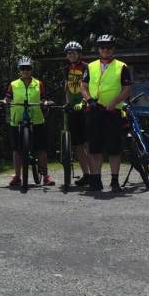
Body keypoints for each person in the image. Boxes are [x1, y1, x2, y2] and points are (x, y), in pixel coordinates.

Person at [80, 34, 132, 193]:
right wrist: (88, 99)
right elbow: (83, 85)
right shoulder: (90, 66)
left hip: (113, 111)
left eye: (108, 47)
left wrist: (115, 102)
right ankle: (96, 179)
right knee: (94, 147)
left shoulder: (122, 66)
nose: (105, 50)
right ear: (98, 49)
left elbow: (127, 89)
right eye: (102, 47)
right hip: (95, 110)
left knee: (114, 148)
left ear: (113, 49)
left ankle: (115, 180)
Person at [3, 56, 55, 187]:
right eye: (23, 68)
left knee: (41, 149)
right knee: (16, 150)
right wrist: (4, 103)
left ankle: (45, 176)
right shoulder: (13, 84)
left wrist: (46, 103)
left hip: (36, 119)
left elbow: (43, 99)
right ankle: (17, 176)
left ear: (32, 70)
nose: (25, 71)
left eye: (28, 68)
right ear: (19, 70)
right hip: (17, 119)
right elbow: (7, 99)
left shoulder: (38, 83)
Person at [62, 41, 92, 187]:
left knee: (87, 142)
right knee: (77, 144)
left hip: (85, 108)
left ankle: (94, 174)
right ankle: (86, 174)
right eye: (68, 53)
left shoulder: (87, 67)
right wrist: (67, 103)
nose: (71, 55)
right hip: (73, 108)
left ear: (79, 54)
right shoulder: (66, 68)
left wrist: (85, 101)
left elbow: (89, 86)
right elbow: (67, 87)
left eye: (74, 52)